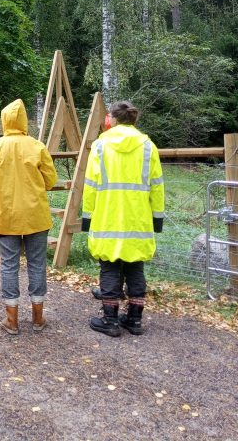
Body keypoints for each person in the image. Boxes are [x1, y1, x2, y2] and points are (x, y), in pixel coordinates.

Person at [82, 100, 164, 337]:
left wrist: (87, 217)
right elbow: (157, 186)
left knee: (109, 267)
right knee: (135, 266)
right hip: (138, 220)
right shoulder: (148, 147)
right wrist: (157, 218)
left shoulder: (100, 146)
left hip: (107, 218)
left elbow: (90, 186)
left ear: (112, 119)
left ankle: (110, 320)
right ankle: (134, 320)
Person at [0, 99, 56, 335]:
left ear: (4, 121)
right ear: (23, 121)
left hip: (7, 216)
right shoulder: (37, 146)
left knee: (9, 266)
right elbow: (50, 181)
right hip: (36, 216)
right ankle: (37, 318)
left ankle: (11, 320)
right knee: (37, 265)